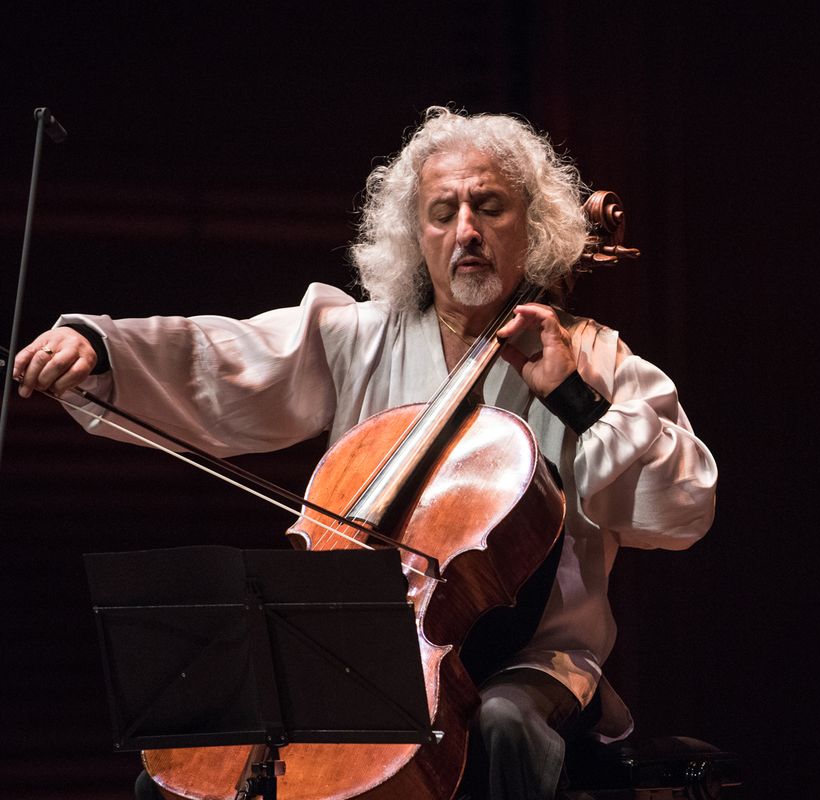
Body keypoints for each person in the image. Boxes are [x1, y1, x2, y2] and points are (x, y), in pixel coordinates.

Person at [11, 107, 718, 800]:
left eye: (490, 207)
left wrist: (574, 398)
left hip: (533, 659)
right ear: (417, 234)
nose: (465, 231)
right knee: (180, 770)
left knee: (503, 726)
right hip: (362, 654)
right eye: (443, 212)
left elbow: (681, 509)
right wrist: (103, 347)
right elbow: (231, 357)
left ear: (534, 225)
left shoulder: (594, 356)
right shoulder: (360, 336)